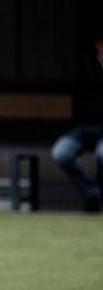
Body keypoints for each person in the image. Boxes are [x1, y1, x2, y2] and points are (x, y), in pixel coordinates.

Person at [51, 36, 103, 213]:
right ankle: (93, 194)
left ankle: (97, 197)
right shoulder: (85, 68)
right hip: (81, 130)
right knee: (61, 153)